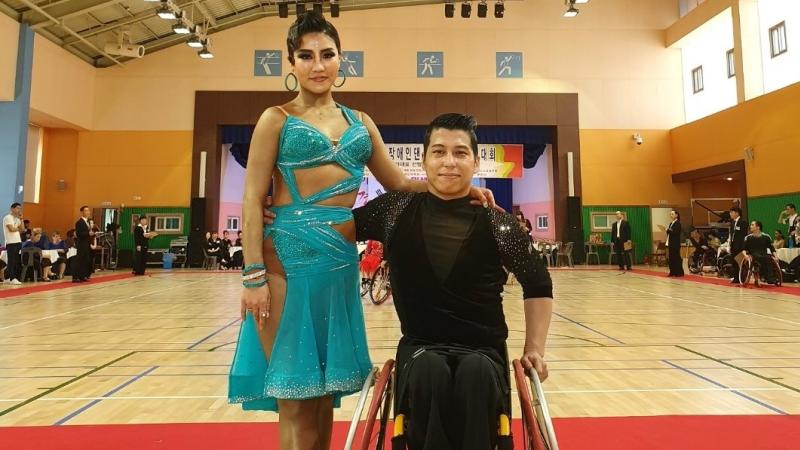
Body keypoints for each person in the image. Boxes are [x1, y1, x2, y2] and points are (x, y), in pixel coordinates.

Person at [229, 12, 494, 450]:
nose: (318, 65)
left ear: (340, 60)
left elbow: (401, 185)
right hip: (283, 266)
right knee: (293, 397)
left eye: (327, 55)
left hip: (337, 266)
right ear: (290, 63)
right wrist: (252, 275)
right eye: (306, 55)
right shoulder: (274, 119)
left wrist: (461, 185)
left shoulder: (361, 122)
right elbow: (252, 200)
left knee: (323, 397)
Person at [352, 113, 554, 449]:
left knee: (475, 373)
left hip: (484, 352)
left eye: (460, 153)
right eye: (439, 152)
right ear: (423, 159)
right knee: (429, 370)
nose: (449, 162)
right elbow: (338, 228)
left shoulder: (497, 223)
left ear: (476, 162)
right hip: (420, 348)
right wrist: (282, 215)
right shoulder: (394, 210)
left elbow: (538, 283)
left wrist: (534, 349)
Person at [2, 203, 25, 285]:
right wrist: (17, 229)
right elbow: (11, 229)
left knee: (15, 260)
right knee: (12, 261)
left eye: (20, 208)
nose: (19, 210)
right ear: (12, 209)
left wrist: (21, 219)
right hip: (11, 242)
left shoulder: (17, 219)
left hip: (18, 241)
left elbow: (22, 229)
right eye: (17, 208)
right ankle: (12, 278)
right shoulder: (7, 218)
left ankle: (8, 278)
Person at [73, 206, 94, 283]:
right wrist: (88, 233)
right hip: (81, 244)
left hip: (87, 244)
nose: (88, 212)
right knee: (80, 260)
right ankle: (76, 277)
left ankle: (83, 276)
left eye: (88, 210)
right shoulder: (79, 222)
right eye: (86, 211)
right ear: (82, 212)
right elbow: (79, 234)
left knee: (85, 260)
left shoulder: (88, 222)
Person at [727, 206, 747, 284]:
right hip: (733, 245)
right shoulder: (732, 223)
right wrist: (729, 245)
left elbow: (743, 235)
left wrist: (743, 247)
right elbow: (731, 235)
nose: (730, 214)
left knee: (740, 263)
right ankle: (736, 278)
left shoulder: (743, 222)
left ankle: (741, 278)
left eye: (732, 212)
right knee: (734, 262)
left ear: (737, 213)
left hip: (740, 246)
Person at [666, 210, 684, 277]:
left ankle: (678, 272)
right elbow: (669, 232)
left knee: (676, 258)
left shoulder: (678, 223)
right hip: (670, 243)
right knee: (671, 258)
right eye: (670, 214)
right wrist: (668, 230)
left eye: (672, 214)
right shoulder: (671, 223)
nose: (671, 215)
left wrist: (669, 230)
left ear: (676, 215)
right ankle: (672, 272)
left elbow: (675, 232)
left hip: (675, 244)